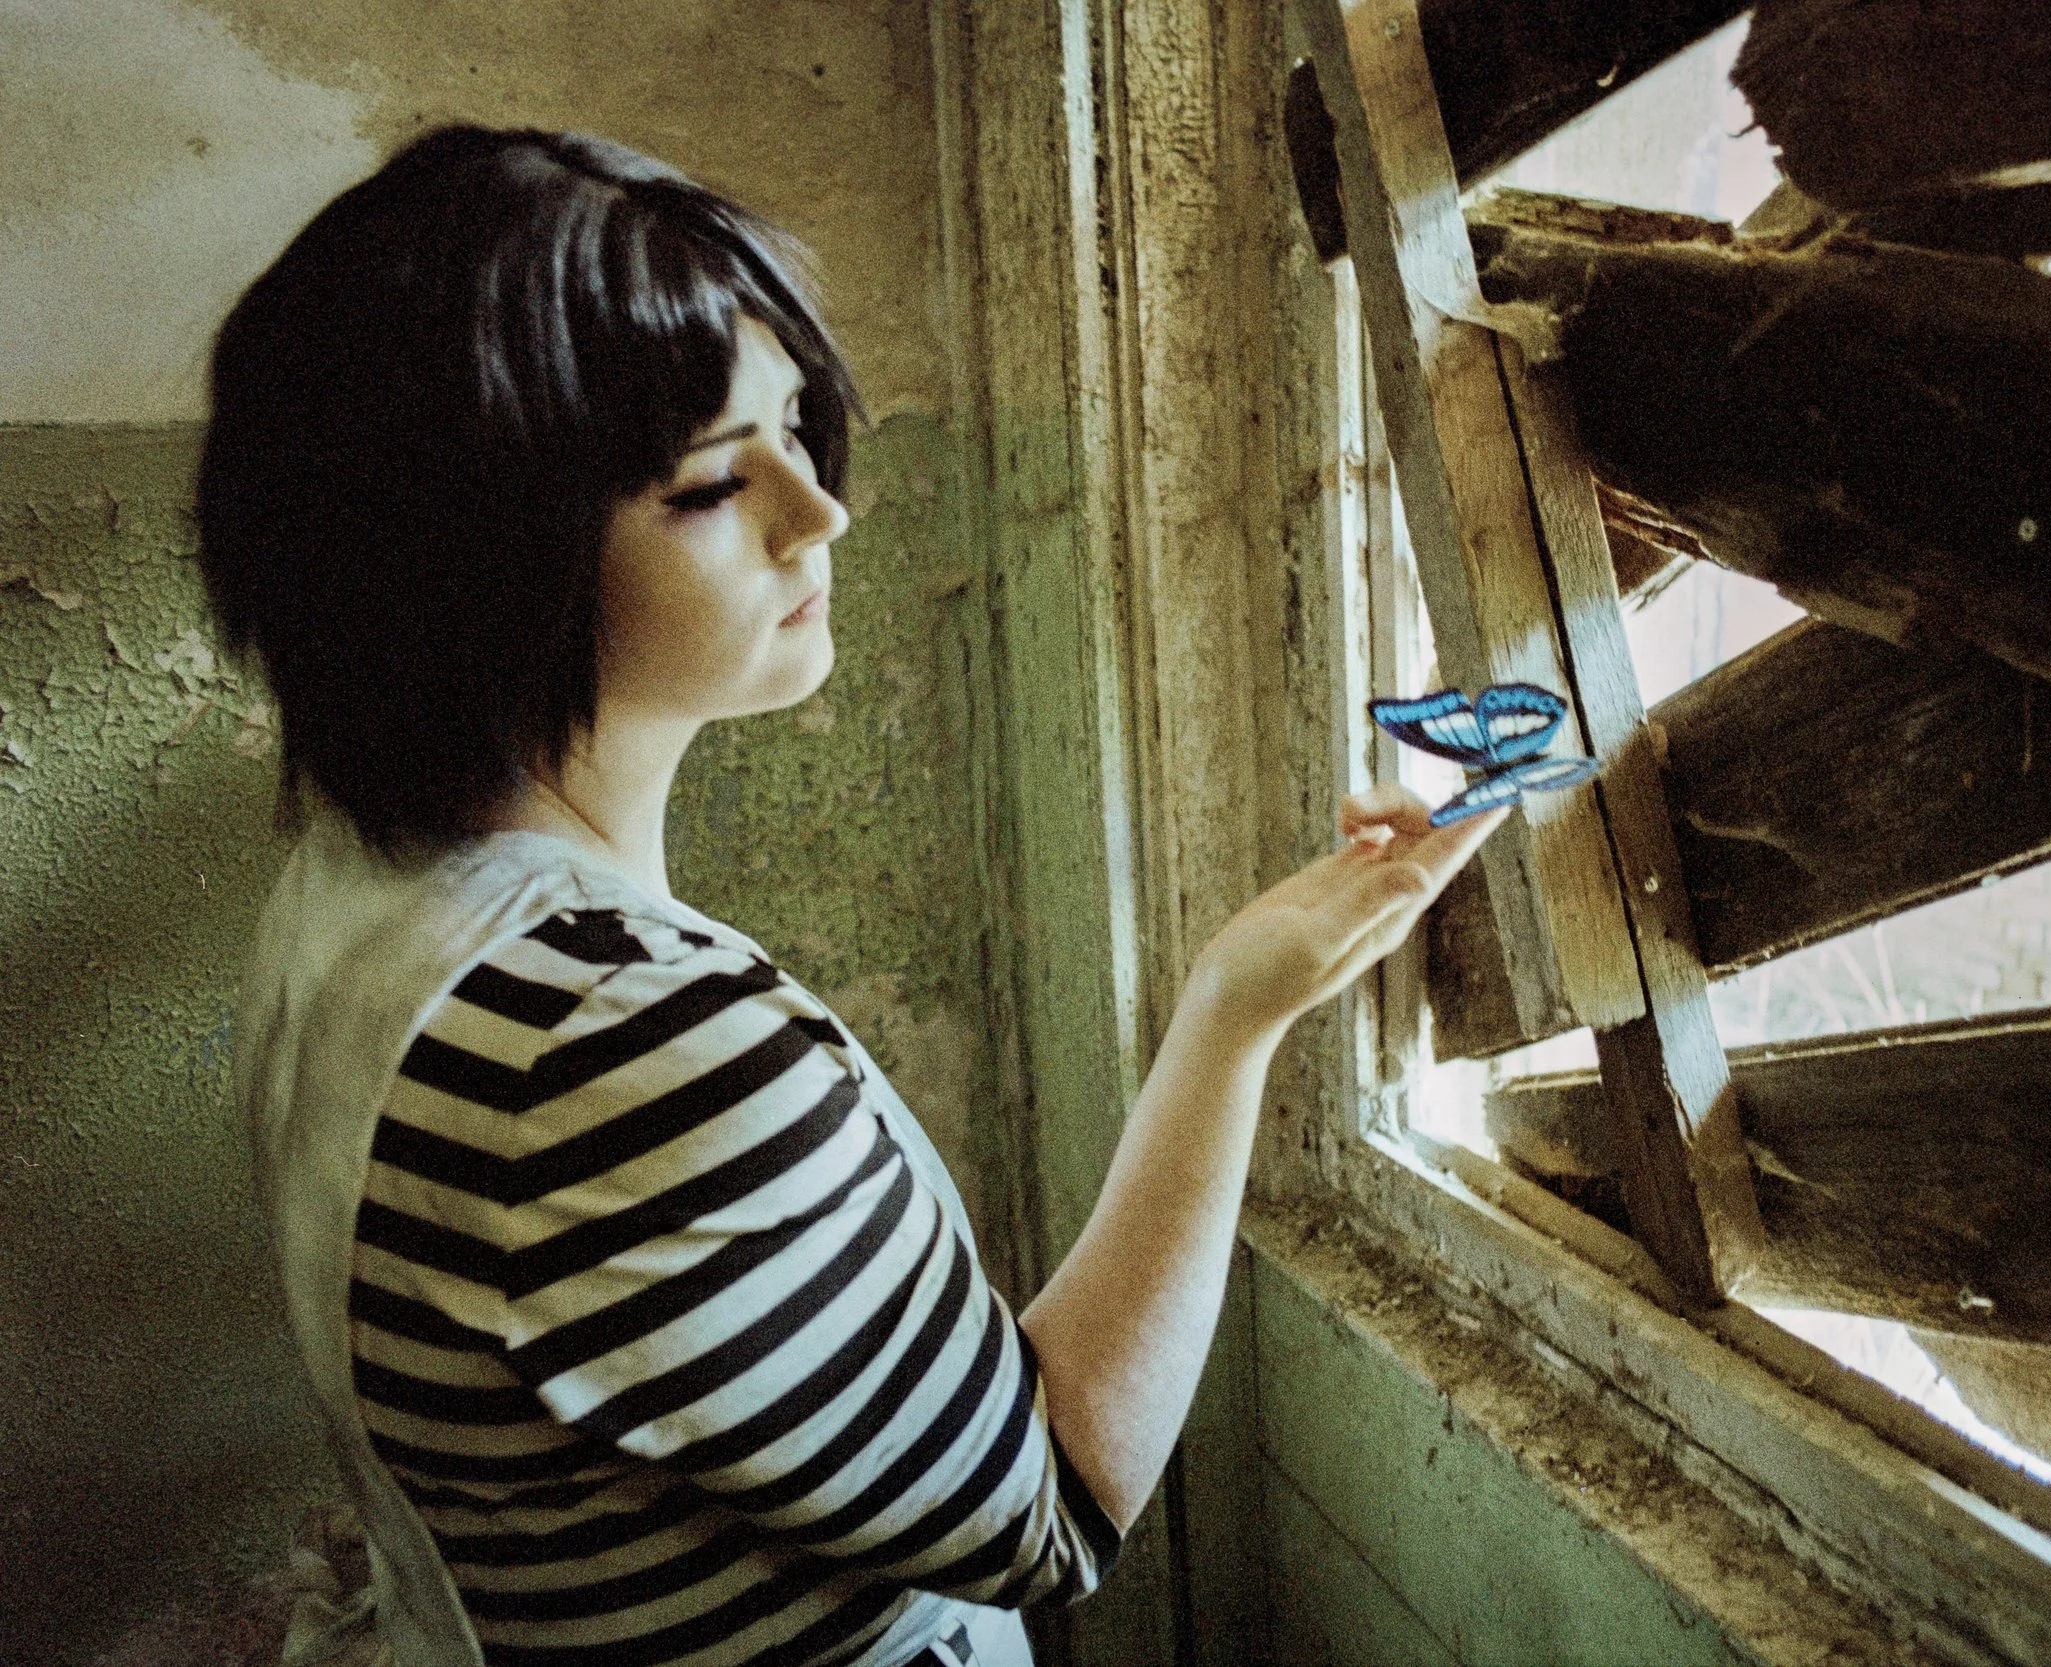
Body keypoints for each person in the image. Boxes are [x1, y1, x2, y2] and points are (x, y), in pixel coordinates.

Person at [201, 126, 1503, 1667]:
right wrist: (1230, 1016)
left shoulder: (358, 886)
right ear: (477, 563)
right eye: (708, 484)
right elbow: (1051, 1500)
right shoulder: (621, 1041)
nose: (817, 511)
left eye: (791, 429)